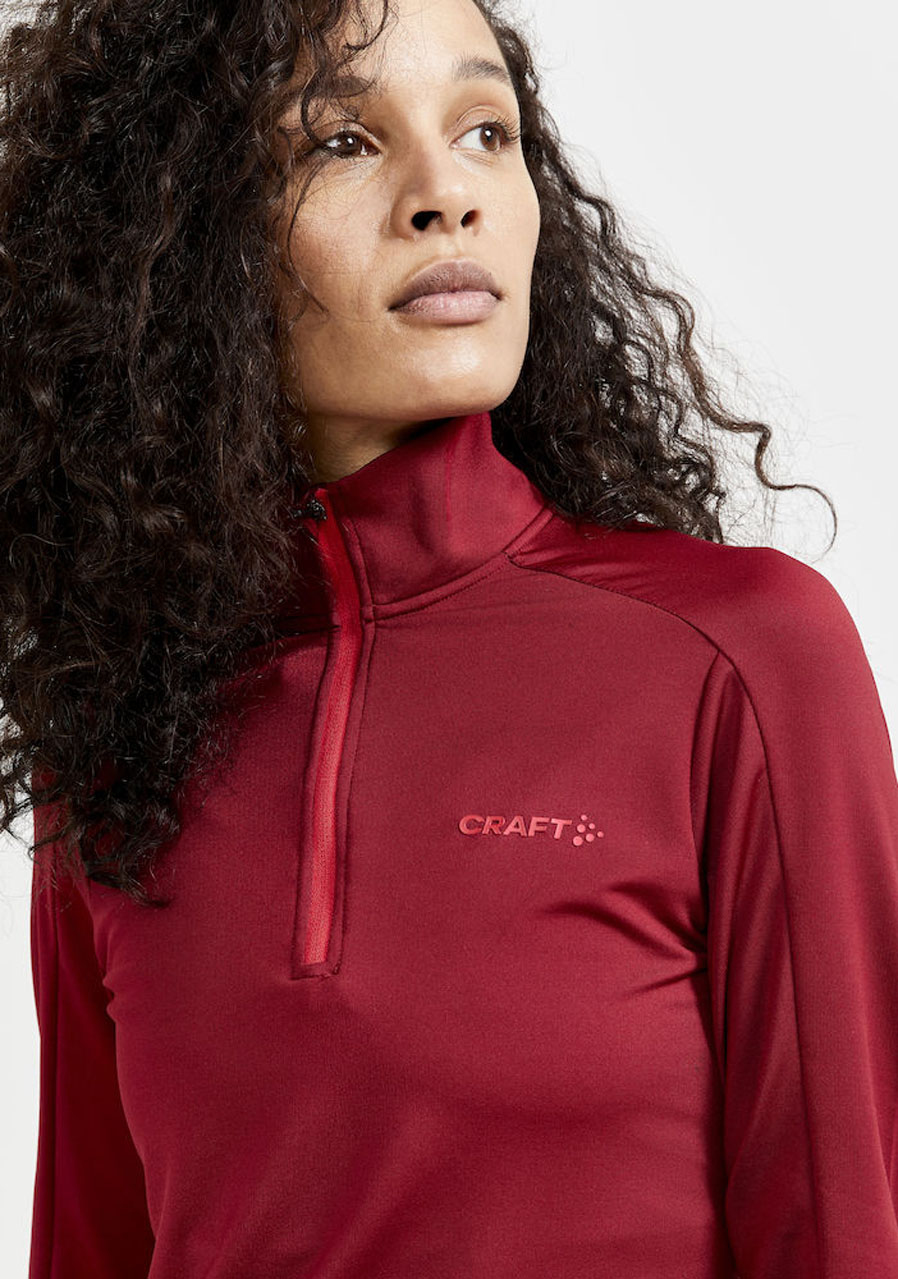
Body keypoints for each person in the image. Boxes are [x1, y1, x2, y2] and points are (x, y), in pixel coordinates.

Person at [1, 0, 896, 1275]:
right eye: (342, 141)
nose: (446, 196)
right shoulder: (120, 730)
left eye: (485, 131)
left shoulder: (735, 659)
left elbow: (847, 1233)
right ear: (181, 229)